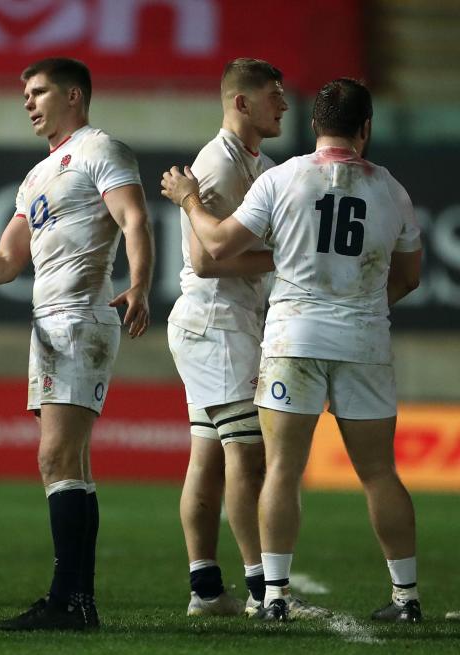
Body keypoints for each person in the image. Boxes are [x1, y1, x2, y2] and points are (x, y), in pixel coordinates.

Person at [161, 78, 423, 623]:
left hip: (294, 338)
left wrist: (188, 199)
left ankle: (273, 595)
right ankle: (407, 597)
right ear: (366, 128)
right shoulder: (391, 189)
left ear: (314, 125)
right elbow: (410, 275)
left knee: (280, 469)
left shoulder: (283, 178)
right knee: (379, 472)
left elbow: (215, 245)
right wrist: (369, 303)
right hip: (364, 340)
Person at [0, 57, 154, 631]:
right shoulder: (39, 176)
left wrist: (139, 284)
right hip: (50, 322)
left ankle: (69, 601)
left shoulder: (100, 150)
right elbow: (4, 260)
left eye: (38, 91)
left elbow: (135, 219)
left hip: (80, 317)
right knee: (70, 464)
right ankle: (76, 602)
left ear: (74, 95)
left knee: (56, 456)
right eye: (25, 93)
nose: (28, 101)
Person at [168, 58, 289, 617]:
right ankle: (264, 589)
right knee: (247, 455)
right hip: (216, 320)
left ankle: (207, 590)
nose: (284, 105)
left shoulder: (247, 160)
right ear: (241, 102)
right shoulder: (219, 163)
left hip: (216, 321)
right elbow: (204, 258)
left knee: (209, 455)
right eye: (273, 95)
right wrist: (290, 257)